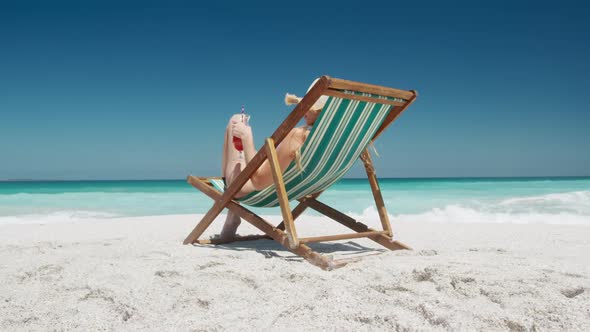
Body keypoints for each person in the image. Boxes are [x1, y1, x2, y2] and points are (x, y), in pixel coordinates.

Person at [218, 79, 327, 240]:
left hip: (254, 188)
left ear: (319, 110)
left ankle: (231, 210)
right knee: (242, 142)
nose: (303, 109)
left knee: (234, 120)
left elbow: (258, 181)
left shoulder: (298, 136)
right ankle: (231, 211)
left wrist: (247, 137)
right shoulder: (332, 139)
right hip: (292, 185)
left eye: (308, 106)